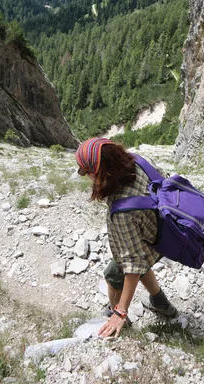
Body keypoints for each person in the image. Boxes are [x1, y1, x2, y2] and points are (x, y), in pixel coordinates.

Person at [75, 137, 178, 339]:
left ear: (99, 171)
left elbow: (133, 263)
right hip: (165, 230)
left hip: (152, 241)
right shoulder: (139, 161)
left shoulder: (122, 209)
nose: (84, 175)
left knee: (114, 275)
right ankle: (162, 305)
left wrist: (121, 311)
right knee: (141, 262)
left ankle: (119, 323)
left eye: (85, 170)